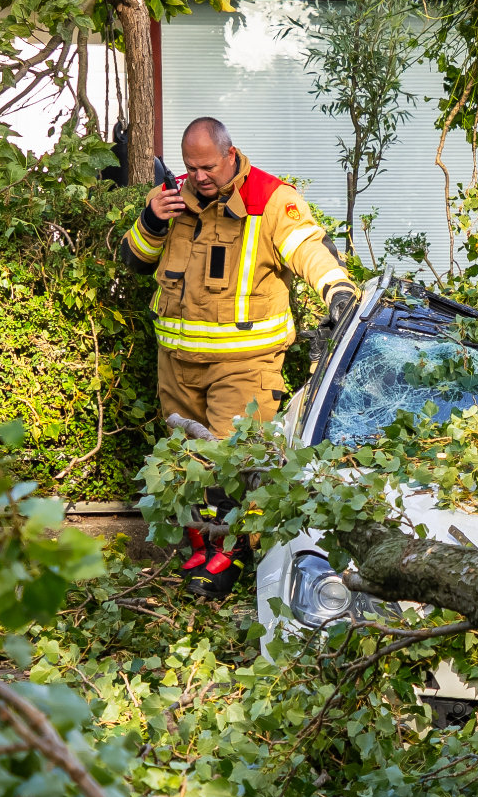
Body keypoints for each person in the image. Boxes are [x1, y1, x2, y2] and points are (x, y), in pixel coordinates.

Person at [120, 117, 357, 598]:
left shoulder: (270, 198)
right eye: (190, 167)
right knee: (184, 467)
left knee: (232, 467)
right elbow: (134, 260)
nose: (198, 177)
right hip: (178, 364)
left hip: (244, 366)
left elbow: (309, 249)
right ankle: (198, 552)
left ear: (231, 154)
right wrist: (150, 221)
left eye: (207, 166)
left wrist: (338, 291)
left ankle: (231, 559)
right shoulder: (173, 197)